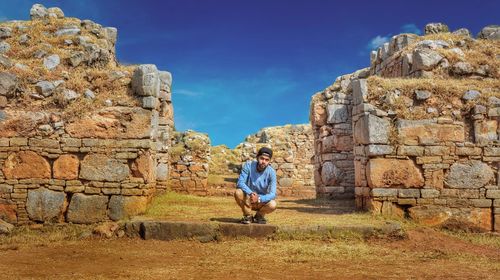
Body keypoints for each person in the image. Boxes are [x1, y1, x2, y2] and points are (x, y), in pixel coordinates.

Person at [234, 147, 277, 224]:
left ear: (270, 161)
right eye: (262, 158)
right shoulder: (248, 166)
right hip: (248, 198)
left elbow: (273, 194)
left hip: (261, 201)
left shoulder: (272, 172)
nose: (263, 161)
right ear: (257, 157)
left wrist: (259, 198)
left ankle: (259, 216)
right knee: (238, 192)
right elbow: (240, 182)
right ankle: (248, 216)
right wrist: (251, 193)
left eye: (267, 160)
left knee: (273, 205)